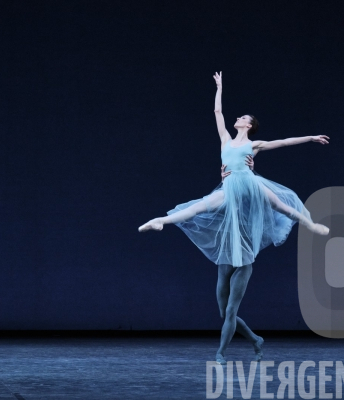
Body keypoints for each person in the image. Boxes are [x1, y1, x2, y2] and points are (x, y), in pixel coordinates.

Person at [138, 71, 330, 364]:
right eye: (238, 116)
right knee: (201, 206)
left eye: (243, 117)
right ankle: (163, 220)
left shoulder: (253, 145)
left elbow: (285, 142)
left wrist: (311, 137)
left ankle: (221, 353)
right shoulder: (226, 140)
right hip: (228, 186)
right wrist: (219, 87)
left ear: (250, 125)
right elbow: (217, 111)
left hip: (249, 184)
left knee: (281, 205)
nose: (237, 118)